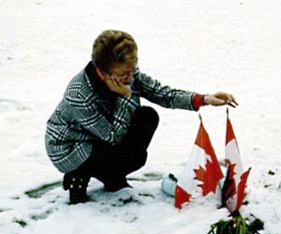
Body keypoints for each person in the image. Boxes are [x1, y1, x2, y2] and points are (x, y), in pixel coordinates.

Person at [45, 30, 237, 204]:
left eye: (132, 70)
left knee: (146, 118)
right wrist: (125, 97)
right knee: (117, 147)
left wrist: (204, 99)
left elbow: (162, 94)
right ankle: (78, 176)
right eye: (124, 74)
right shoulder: (79, 94)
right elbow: (112, 136)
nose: (130, 78)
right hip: (70, 146)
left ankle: (112, 176)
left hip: (100, 136)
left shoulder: (125, 73)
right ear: (102, 72)